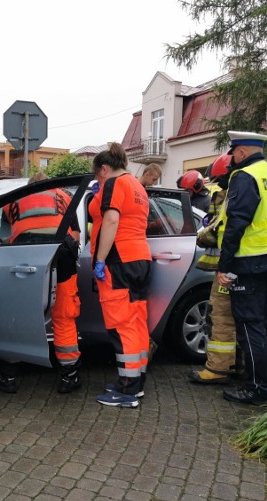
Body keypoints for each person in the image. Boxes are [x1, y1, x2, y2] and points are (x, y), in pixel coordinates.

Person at [217, 131, 267, 405]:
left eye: (233, 154)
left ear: (240, 153)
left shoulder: (245, 176)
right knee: (265, 324)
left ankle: (256, 388)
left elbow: (236, 223)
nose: (233, 159)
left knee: (250, 326)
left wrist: (225, 266)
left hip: (250, 261)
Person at [0, 172, 83, 394]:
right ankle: (68, 376)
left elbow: (5, 237)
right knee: (63, 314)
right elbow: (77, 235)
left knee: (17, 315)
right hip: (63, 254)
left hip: (25, 253)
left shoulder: (13, 201)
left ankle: (8, 375)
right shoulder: (64, 196)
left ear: (29, 186)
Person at [89, 143, 151, 408]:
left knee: (120, 325)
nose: (98, 182)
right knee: (136, 322)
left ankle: (126, 390)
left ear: (105, 168)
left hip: (119, 261)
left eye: (98, 177)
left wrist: (101, 259)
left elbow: (112, 220)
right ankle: (136, 383)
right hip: (140, 258)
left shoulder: (114, 184)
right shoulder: (137, 186)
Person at [188, 153, 244, 384]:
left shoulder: (230, 197)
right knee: (242, 319)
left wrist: (203, 236)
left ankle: (218, 369)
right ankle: (240, 366)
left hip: (228, 269)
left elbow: (218, 231)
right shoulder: (249, 193)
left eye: (219, 181)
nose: (217, 188)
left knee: (221, 318)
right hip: (247, 267)